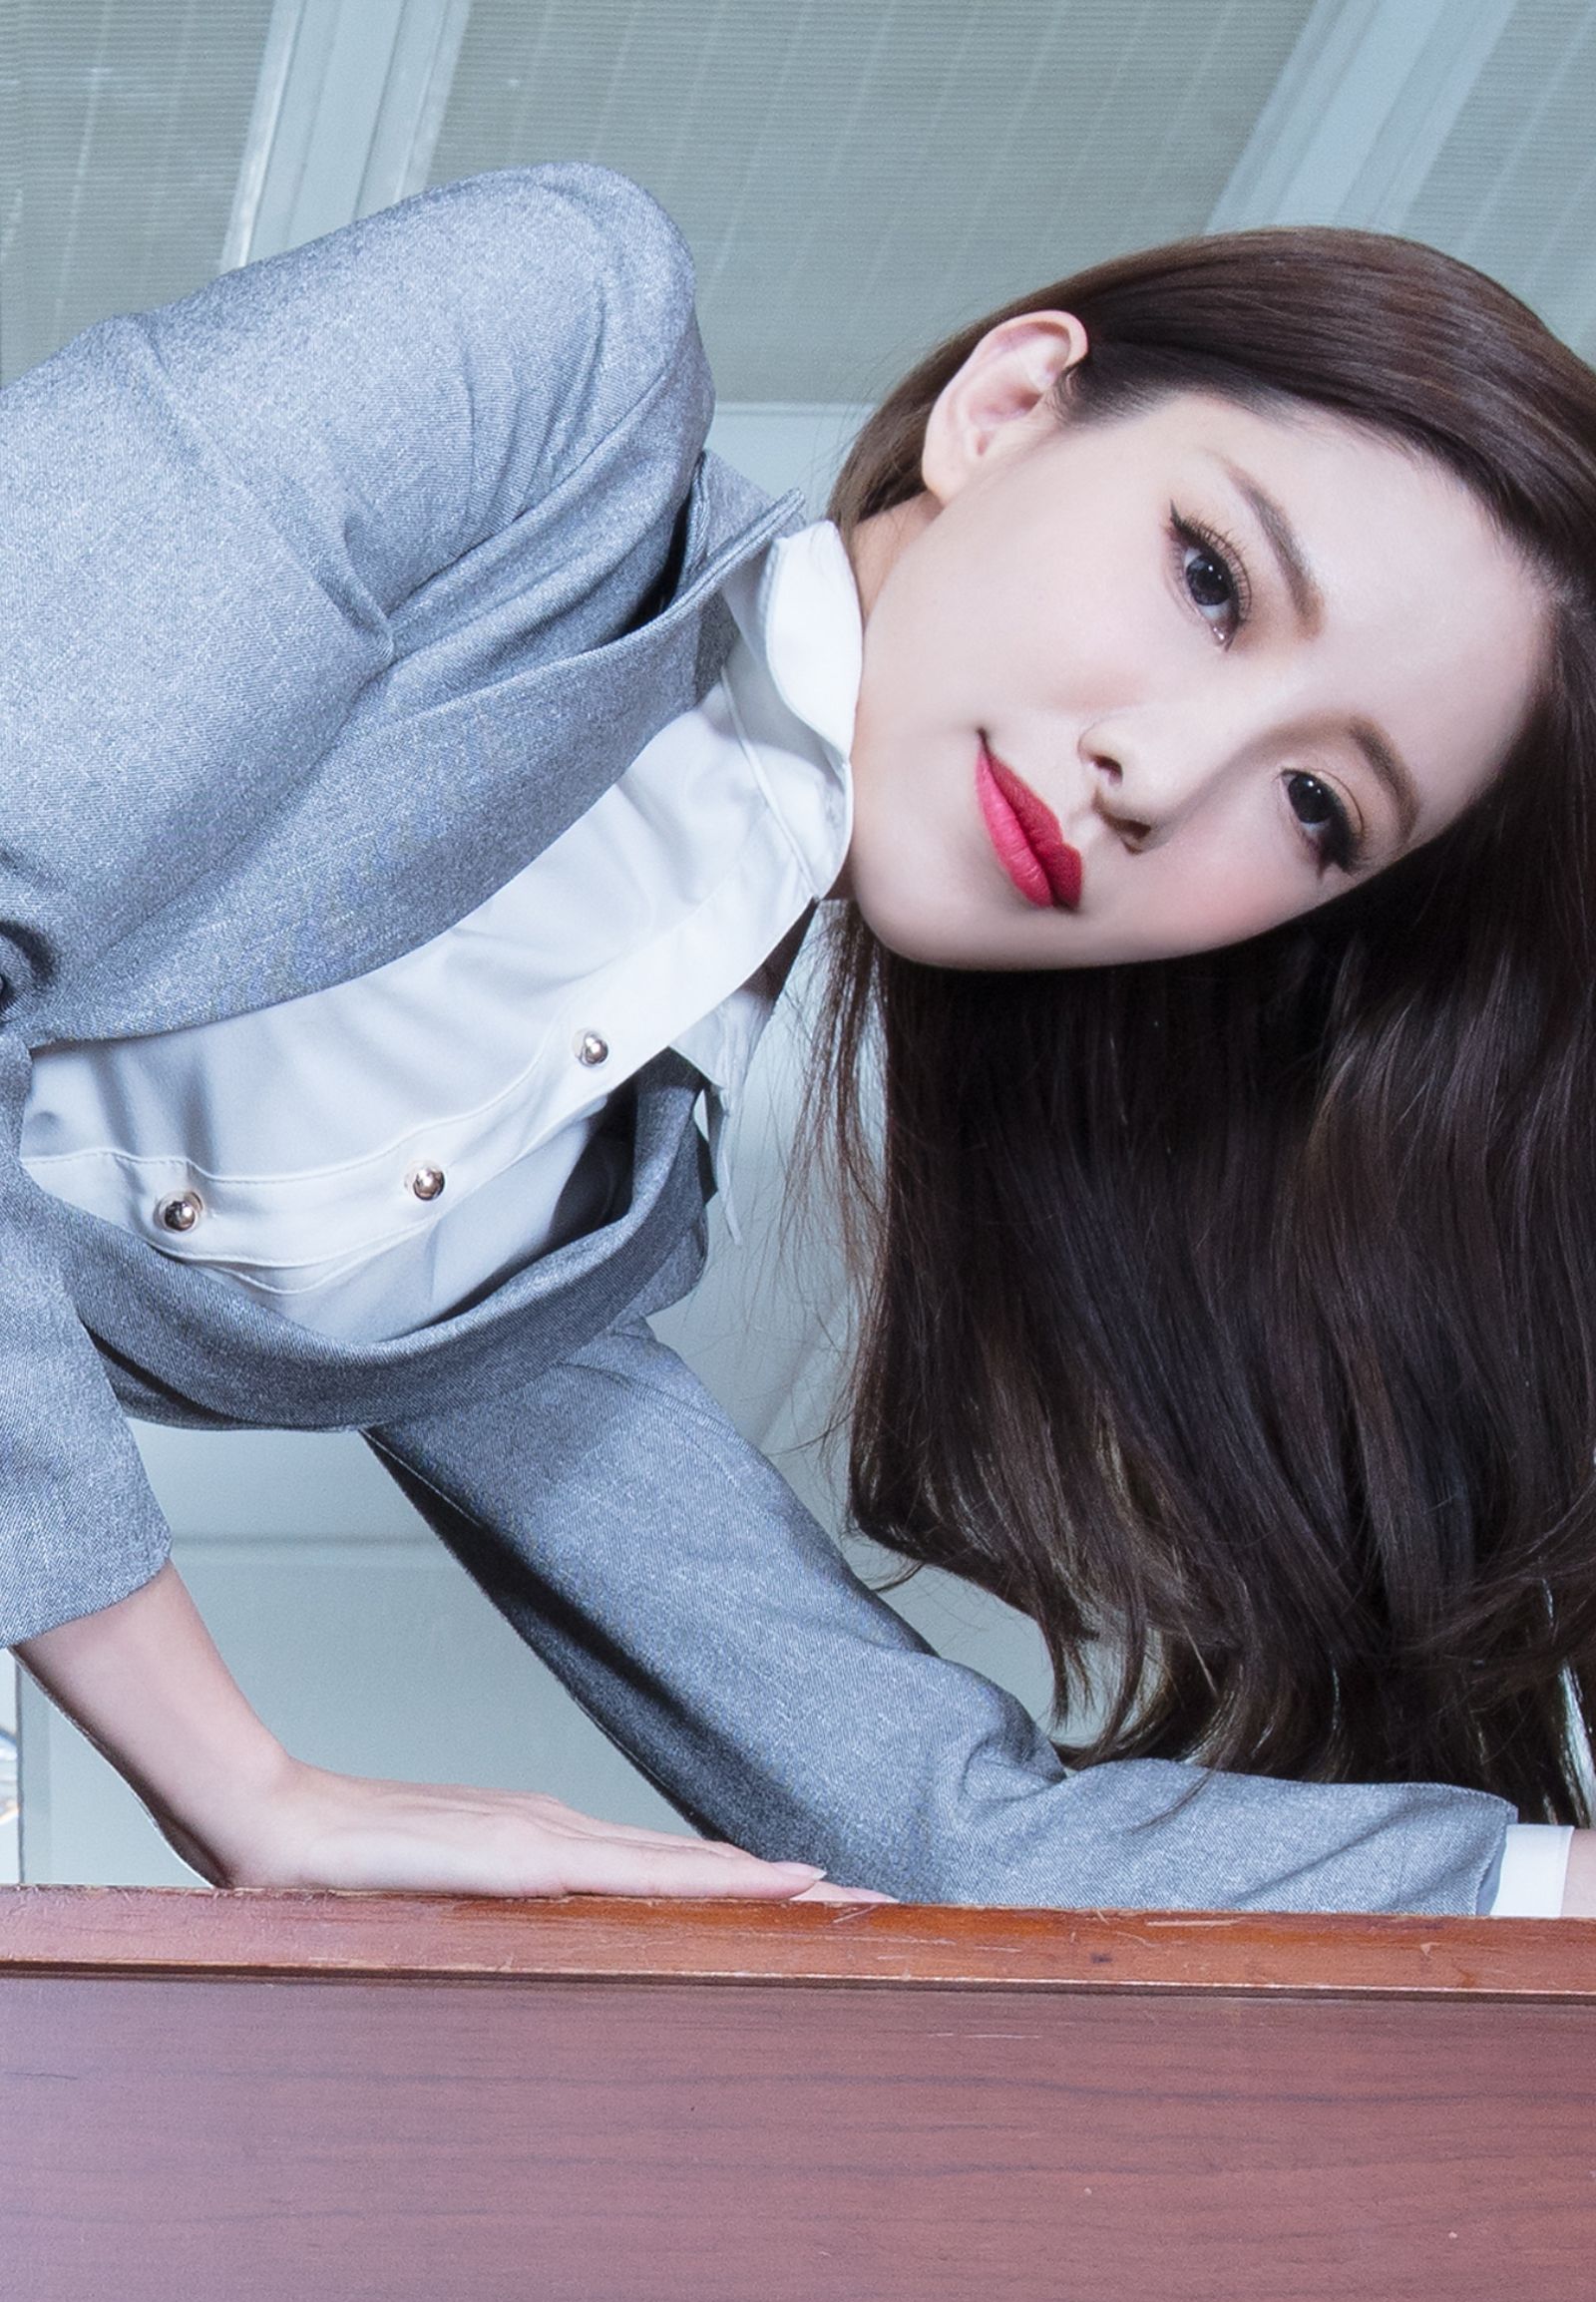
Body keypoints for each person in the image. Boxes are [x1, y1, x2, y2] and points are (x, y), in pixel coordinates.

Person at [5, 163, 1593, 1915]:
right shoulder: (559, 346)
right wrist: (245, 1787)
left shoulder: (577, 1225)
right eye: (1211, 579)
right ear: (1007, 409)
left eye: (1315, 805)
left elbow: (944, 1837)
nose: (1161, 774)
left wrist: (1537, 1887)